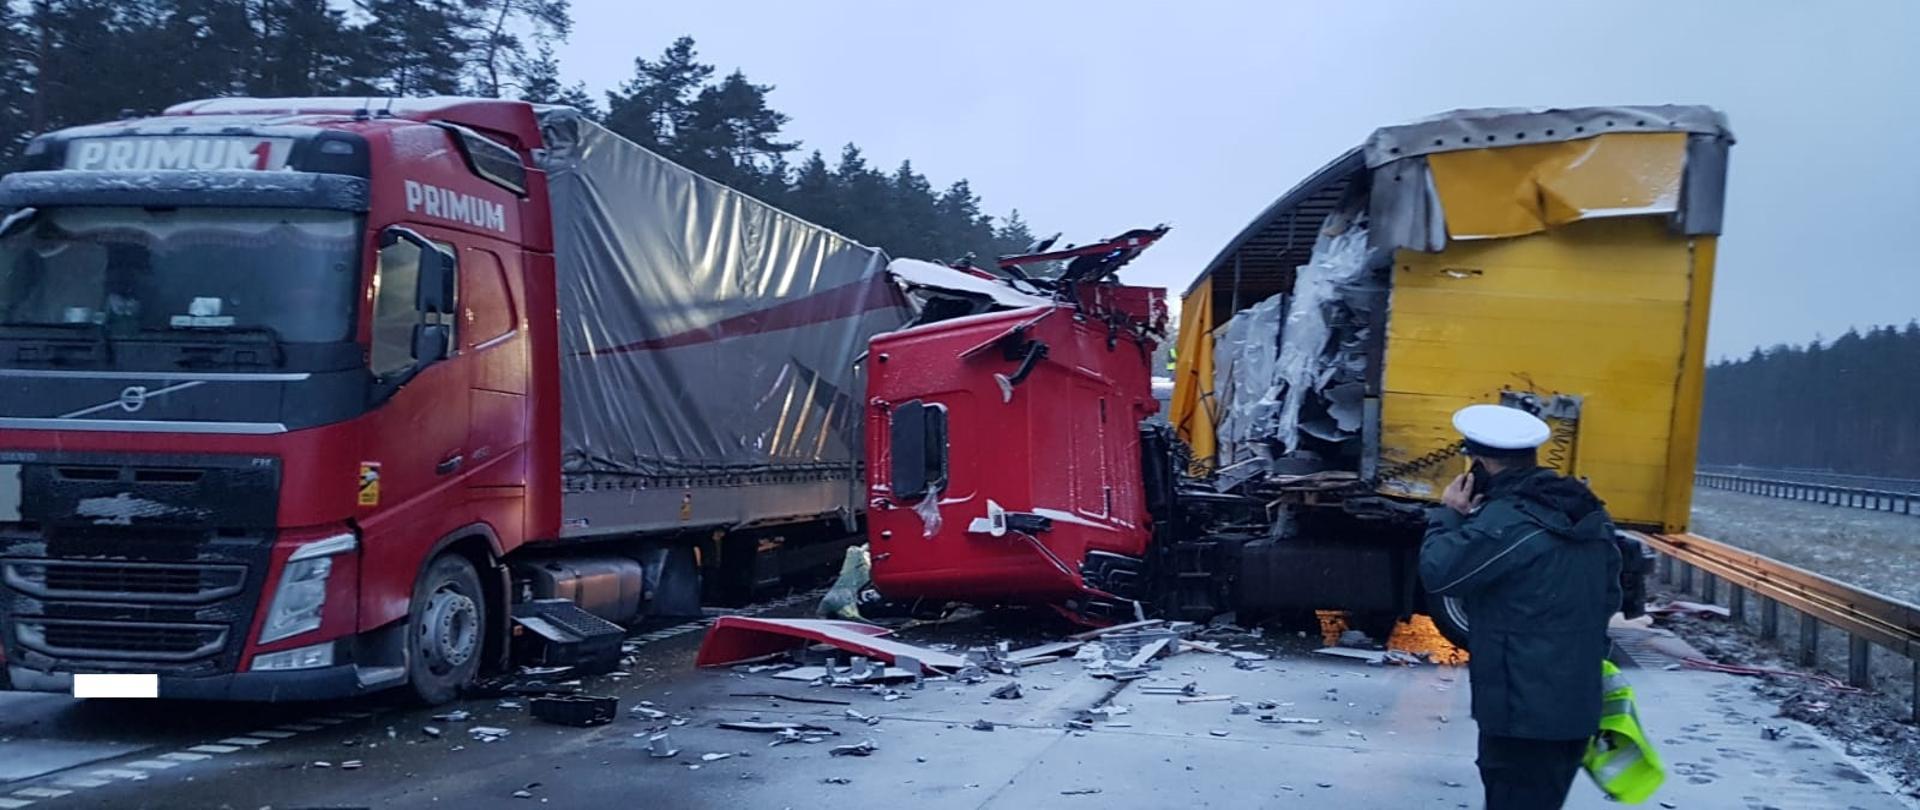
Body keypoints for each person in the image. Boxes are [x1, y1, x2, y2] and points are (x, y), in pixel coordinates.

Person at [1418, 403, 1623, 810]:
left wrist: (1450, 515)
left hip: (1520, 709)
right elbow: (1610, 596)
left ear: (1478, 465)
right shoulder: (1588, 512)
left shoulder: (1508, 519)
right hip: (1573, 705)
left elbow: (1440, 573)